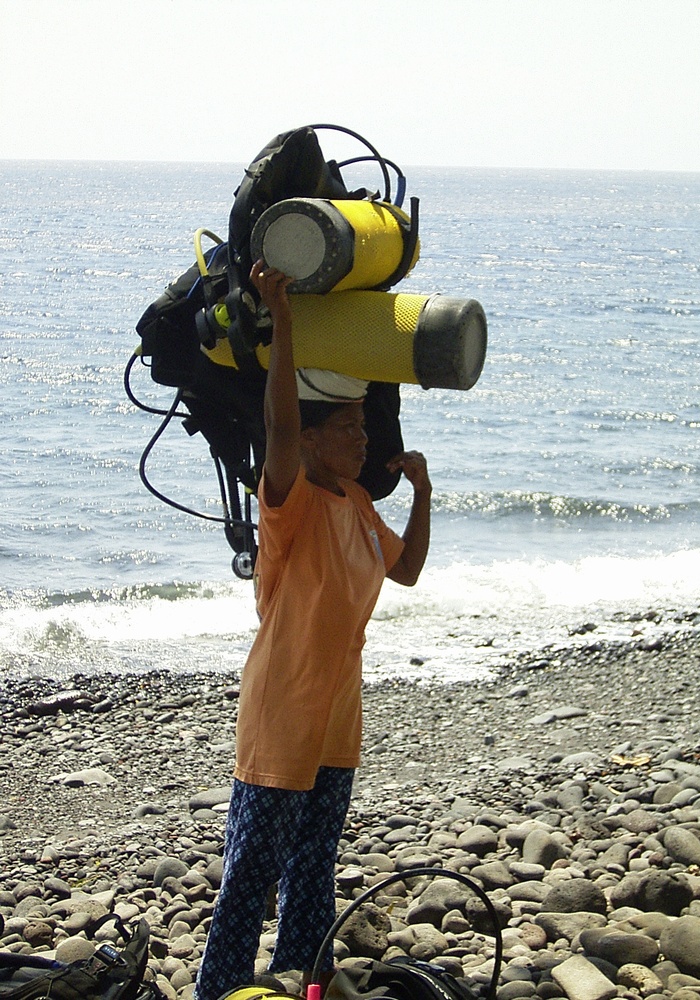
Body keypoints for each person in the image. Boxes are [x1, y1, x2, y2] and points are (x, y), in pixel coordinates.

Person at [194, 262, 432, 1000]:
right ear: (316, 439)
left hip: (337, 715)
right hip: (283, 711)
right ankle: (220, 989)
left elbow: (409, 570)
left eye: (365, 427)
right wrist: (283, 318)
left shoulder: (359, 504)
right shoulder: (287, 505)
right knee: (253, 870)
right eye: (349, 428)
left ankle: (307, 978)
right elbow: (280, 424)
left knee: (315, 861)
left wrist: (423, 493)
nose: (362, 439)